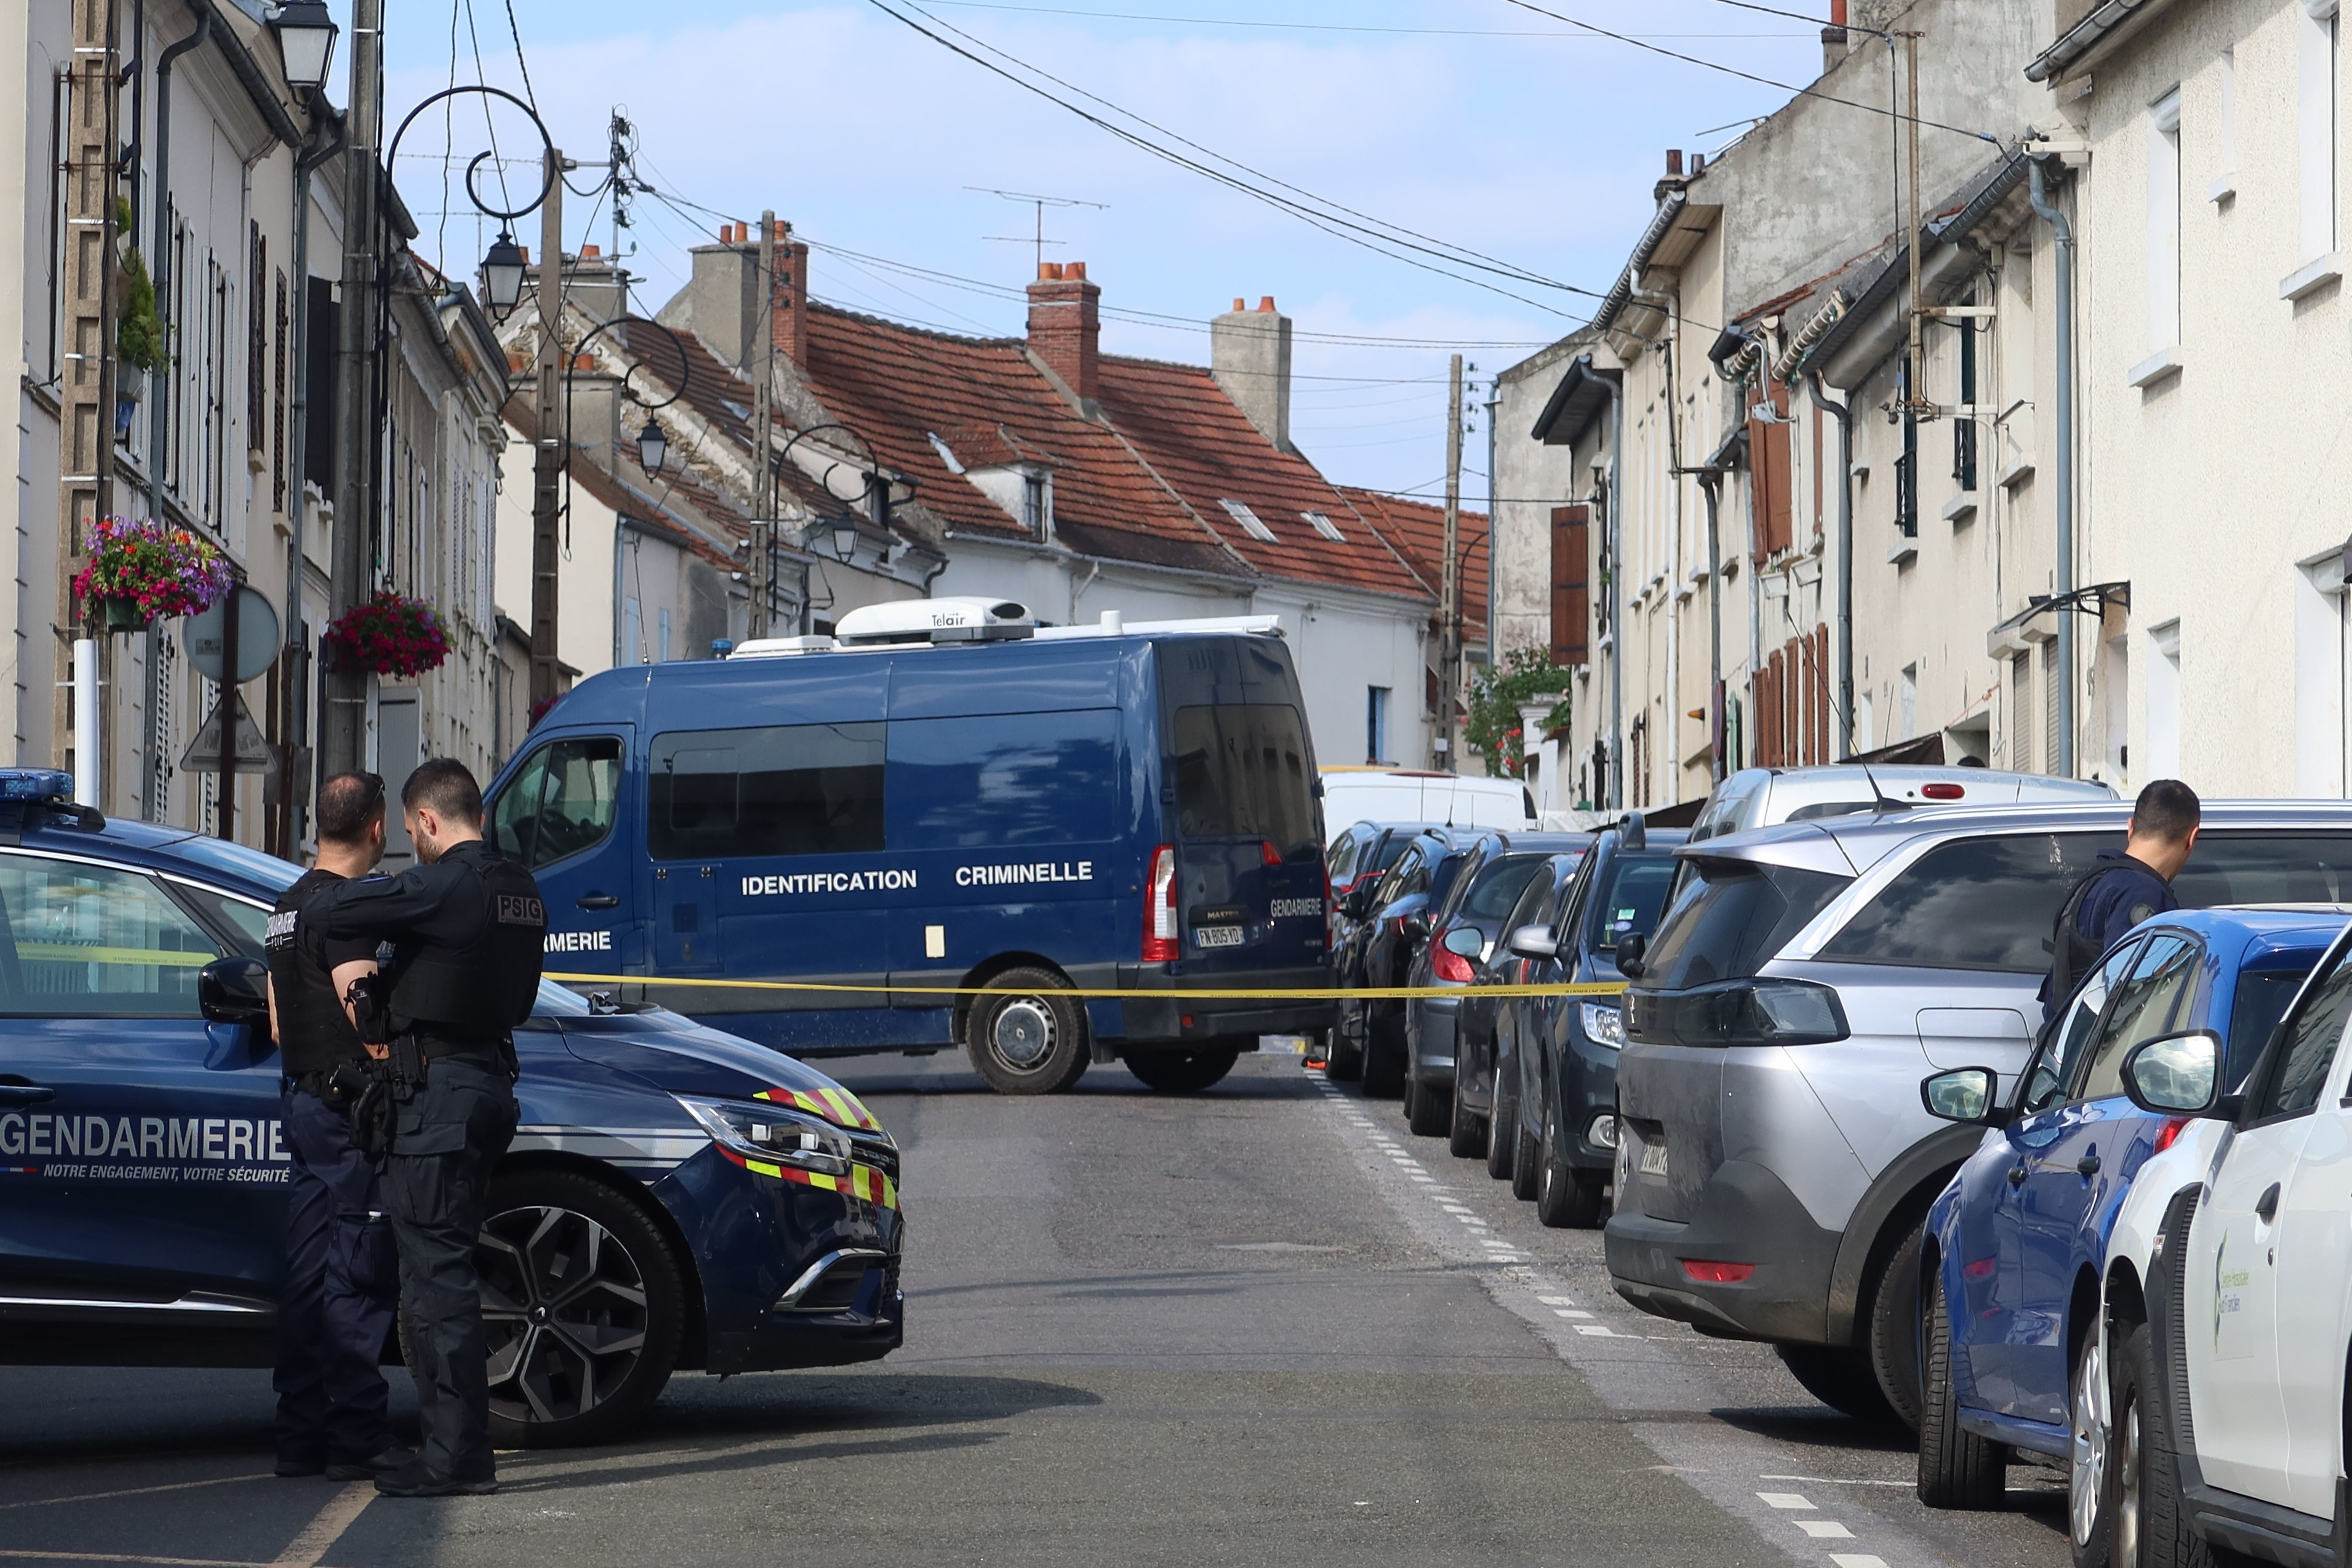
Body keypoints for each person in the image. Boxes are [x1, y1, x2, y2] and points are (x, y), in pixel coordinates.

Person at [300, 759, 547, 1497]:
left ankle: (456, 1458)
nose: (412, 842)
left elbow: (334, 913)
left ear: (431, 822)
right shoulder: (521, 888)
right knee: (449, 1274)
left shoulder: (447, 884)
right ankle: (455, 1446)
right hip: (489, 1086)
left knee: (436, 1287)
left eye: (412, 832)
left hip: (438, 1098)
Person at [267, 771, 409, 1481]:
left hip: (302, 1100)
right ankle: (358, 1435)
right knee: (357, 1272)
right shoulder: (348, 908)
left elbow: (275, 1020)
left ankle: (300, 1435)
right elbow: (365, 1015)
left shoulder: (285, 907)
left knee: (308, 1273)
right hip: (347, 1109)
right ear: (378, 828)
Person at [2040, 777, 2202, 1019]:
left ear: (2130, 828)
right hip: (2104, 1052)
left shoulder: (2097, 880)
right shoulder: (2143, 894)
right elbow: (2132, 994)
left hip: (2069, 1042)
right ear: (2192, 838)